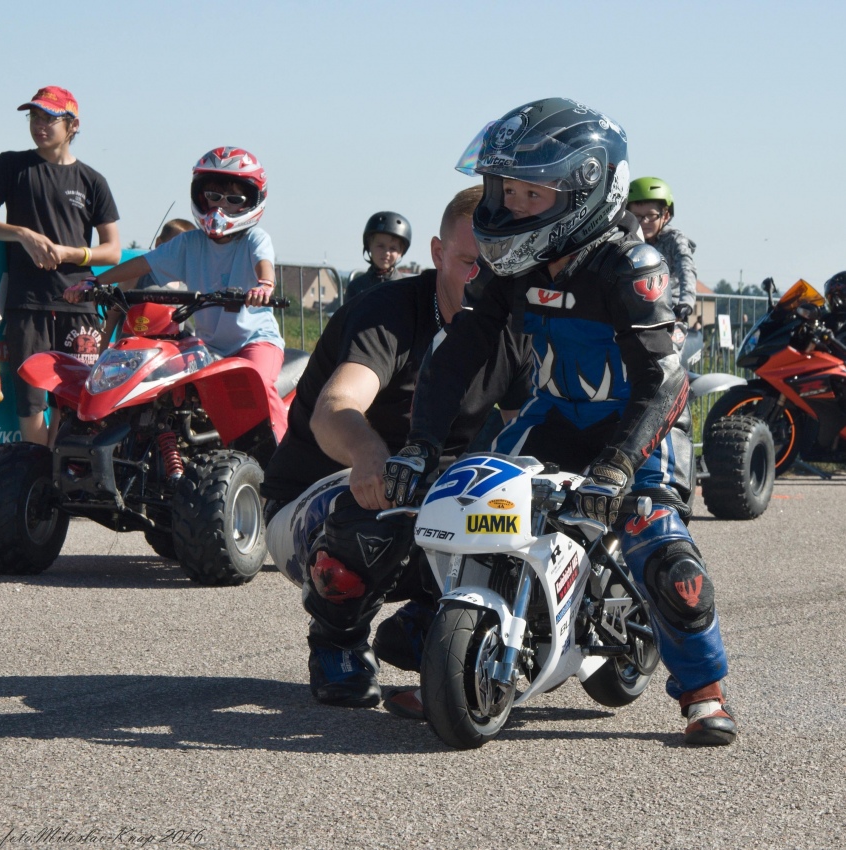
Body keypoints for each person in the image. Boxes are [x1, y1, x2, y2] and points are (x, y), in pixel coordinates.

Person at [383, 98, 737, 747]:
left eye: (531, 193)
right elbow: (455, 355)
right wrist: (419, 445)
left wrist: (619, 465)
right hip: (551, 416)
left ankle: (703, 690)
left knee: (664, 552)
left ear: (585, 192)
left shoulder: (631, 267)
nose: (511, 205)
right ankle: (454, 652)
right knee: (468, 503)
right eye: (506, 190)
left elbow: (665, 381)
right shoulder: (509, 265)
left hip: (638, 427)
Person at [262, 185, 533, 709]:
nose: (484, 280)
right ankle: (337, 642)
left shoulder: (511, 329)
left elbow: (526, 430)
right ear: (437, 253)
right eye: (470, 263)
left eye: (501, 266)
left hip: (429, 501)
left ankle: (428, 624)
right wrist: (369, 455)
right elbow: (335, 406)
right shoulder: (388, 313)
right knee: (389, 495)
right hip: (314, 504)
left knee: (520, 510)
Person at [65, 147, 288, 443]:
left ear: (252, 202)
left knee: (256, 383)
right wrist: (95, 282)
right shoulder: (188, 243)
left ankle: (283, 458)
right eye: (214, 196)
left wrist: (264, 286)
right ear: (200, 196)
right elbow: (144, 263)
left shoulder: (254, 239)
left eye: (234, 200)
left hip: (254, 342)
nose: (221, 206)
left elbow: (264, 265)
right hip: (208, 346)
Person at [0, 86, 121, 446]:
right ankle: (34, 477)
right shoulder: (11, 165)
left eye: (49, 118)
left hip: (79, 304)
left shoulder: (92, 180)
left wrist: (70, 254)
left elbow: (112, 251)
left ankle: (61, 475)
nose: (39, 125)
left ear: (73, 125)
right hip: (28, 304)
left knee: (74, 405)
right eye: (34, 117)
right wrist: (22, 234)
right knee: (31, 404)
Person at [100, 218, 197, 347]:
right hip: (130, 352)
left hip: (168, 355)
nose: (180, 254)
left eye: (187, 250)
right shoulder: (137, 276)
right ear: (159, 243)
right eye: (174, 247)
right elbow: (111, 316)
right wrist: (101, 352)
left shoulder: (188, 285)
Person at [627, 176, 697, 329]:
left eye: (651, 215)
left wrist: (686, 302)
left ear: (665, 216)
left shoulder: (674, 240)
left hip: (670, 312)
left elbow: (686, 269)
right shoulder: (625, 241)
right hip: (634, 312)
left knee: (672, 342)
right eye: (637, 216)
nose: (644, 222)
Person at [343, 211, 411, 300]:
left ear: (401, 252)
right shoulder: (356, 288)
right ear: (369, 246)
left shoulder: (406, 288)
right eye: (380, 246)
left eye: (393, 248)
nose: (386, 253)